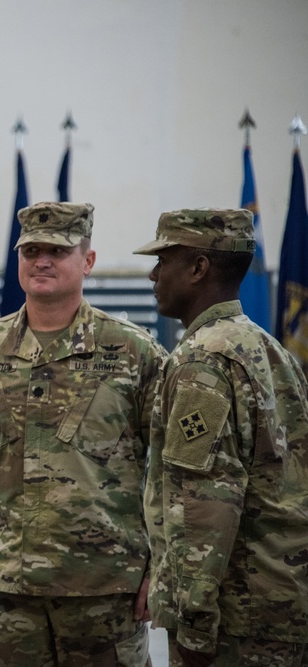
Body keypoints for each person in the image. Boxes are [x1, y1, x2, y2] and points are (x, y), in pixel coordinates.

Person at [0, 201, 167, 666]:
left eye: (57, 251)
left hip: (106, 583)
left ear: (88, 260)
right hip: (9, 583)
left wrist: (159, 568)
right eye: (31, 250)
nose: (41, 260)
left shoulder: (132, 351)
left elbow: (167, 466)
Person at [135, 208, 308, 667]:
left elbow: (205, 502)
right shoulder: (271, 351)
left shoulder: (201, 362)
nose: (153, 273)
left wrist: (194, 622)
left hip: (235, 619)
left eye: (163, 260)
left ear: (198, 268)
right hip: (283, 600)